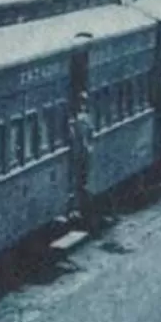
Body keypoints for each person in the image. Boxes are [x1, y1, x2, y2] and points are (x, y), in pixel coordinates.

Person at [69, 91, 98, 234]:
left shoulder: (78, 121)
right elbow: (91, 135)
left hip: (80, 155)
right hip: (86, 153)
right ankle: (89, 220)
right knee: (85, 185)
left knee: (81, 185)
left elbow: (75, 138)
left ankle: (85, 218)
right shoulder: (87, 119)